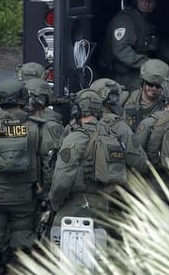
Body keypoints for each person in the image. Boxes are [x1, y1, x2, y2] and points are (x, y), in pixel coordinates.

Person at [0, 79, 51, 275]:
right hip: (26, 199)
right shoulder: (38, 127)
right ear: (23, 99)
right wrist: (45, 194)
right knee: (23, 249)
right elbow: (48, 165)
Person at [48, 90, 126, 242]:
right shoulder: (112, 137)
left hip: (75, 208)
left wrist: (55, 202)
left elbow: (62, 180)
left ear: (77, 111)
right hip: (102, 209)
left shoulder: (75, 138)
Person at [100, 0, 169, 91]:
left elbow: (157, 46)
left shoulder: (148, 20)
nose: (147, 3)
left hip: (142, 72)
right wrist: (151, 65)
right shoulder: (125, 20)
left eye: (151, 0)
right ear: (135, 0)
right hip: (123, 77)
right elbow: (122, 50)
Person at [23, 76, 65, 239]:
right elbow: (51, 165)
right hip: (39, 196)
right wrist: (49, 195)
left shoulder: (14, 123)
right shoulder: (49, 127)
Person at [88, 78, 148, 171]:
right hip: (111, 181)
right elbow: (138, 161)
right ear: (112, 99)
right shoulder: (118, 126)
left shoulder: (78, 123)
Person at [123, 59, 169, 131]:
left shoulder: (166, 105)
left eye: (158, 86)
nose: (154, 88)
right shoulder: (126, 99)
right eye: (150, 84)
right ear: (143, 83)